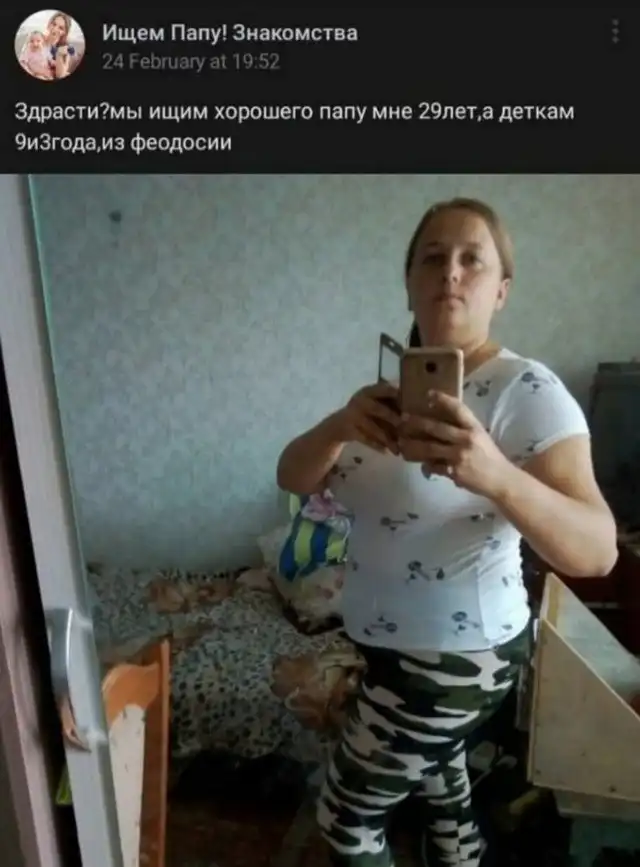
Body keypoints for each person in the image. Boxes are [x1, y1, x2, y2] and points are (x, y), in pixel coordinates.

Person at [276, 197, 618, 866]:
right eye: (432, 258)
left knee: (346, 821)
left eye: (471, 259)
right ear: (409, 283)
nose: (450, 272)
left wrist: (495, 474)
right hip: (391, 648)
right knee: (444, 797)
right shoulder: (389, 393)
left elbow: (598, 550)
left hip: (456, 660)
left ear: (501, 290)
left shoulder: (526, 390)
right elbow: (293, 476)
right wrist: (341, 424)